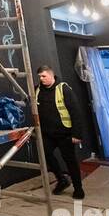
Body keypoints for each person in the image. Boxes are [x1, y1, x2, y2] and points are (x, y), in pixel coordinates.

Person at [35, 65, 86, 199]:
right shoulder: (38, 90)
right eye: (40, 76)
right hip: (47, 133)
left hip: (65, 133)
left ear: (52, 75)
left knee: (70, 161)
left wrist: (77, 134)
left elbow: (75, 112)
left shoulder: (63, 89)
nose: (41, 79)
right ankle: (61, 179)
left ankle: (78, 188)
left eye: (44, 76)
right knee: (45, 154)